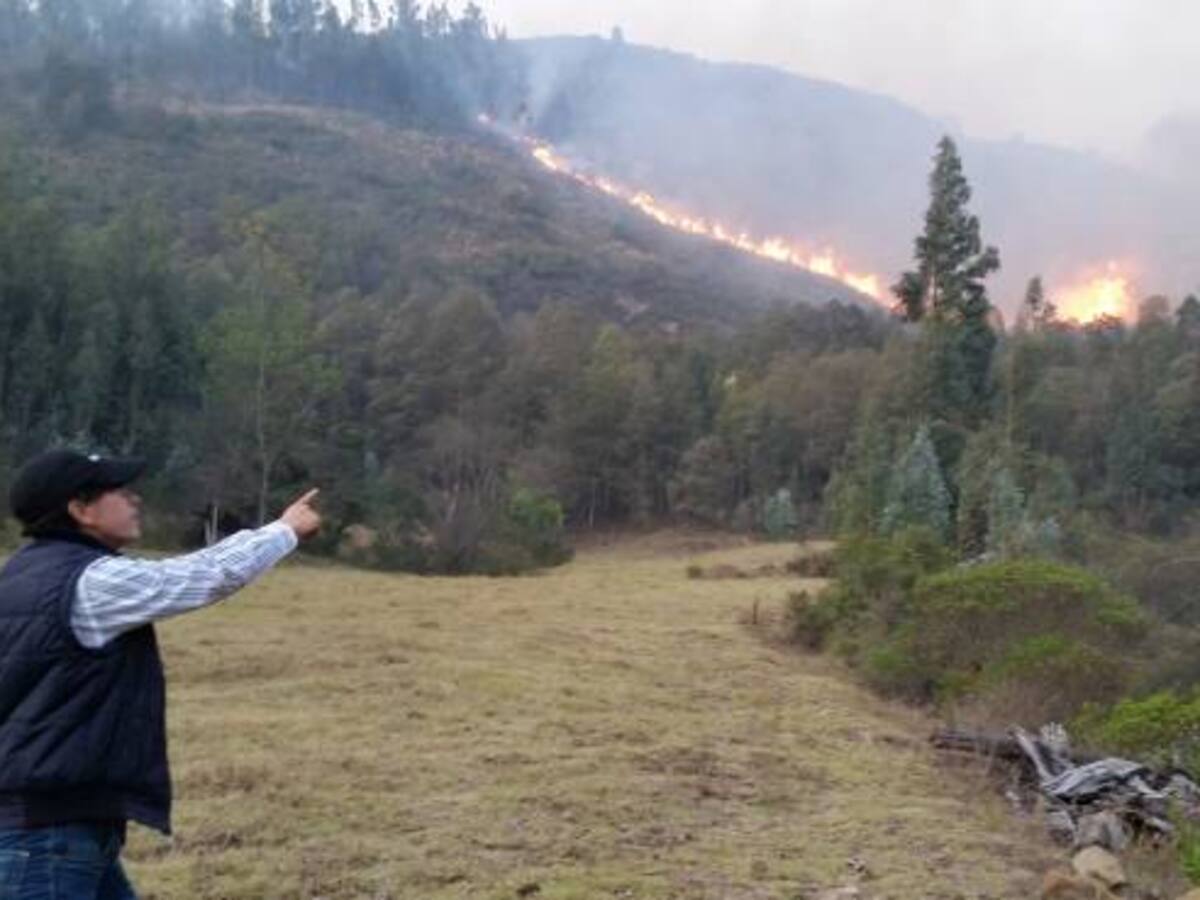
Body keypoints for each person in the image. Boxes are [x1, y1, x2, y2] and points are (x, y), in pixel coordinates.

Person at [0, 448, 321, 898]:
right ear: (80, 509)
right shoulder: (90, 582)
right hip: (47, 838)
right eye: (120, 491)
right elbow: (204, 575)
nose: (135, 499)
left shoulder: (20, 574)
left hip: (49, 828)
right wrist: (283, 531)